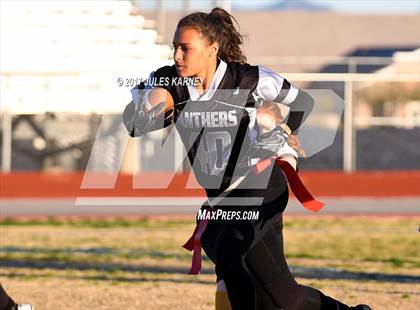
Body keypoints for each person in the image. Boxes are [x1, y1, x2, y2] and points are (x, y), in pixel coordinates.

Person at [123, 7, 372, 310]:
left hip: (261, 183)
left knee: (228, 252)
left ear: (212, 49)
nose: (177, 55)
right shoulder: (167, 80)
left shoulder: (249, 79)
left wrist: (282, 127)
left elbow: (303, 102)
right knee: (283, 297)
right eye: (175, 46)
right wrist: (151, 110)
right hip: (222, 196)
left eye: (185, 48)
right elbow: (134, 125)